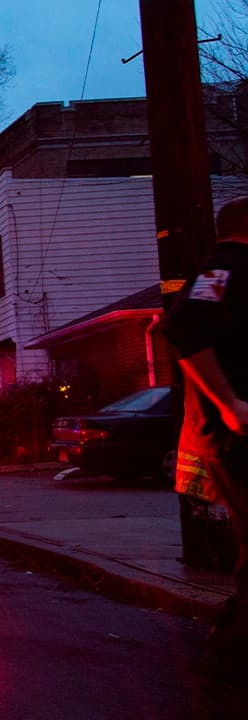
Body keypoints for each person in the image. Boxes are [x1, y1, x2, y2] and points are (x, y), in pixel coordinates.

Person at [163, 195, 248, 682]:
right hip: (238, 435)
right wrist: (231, 405)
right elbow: (186, 327)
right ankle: (236, 655)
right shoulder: (224, 270)